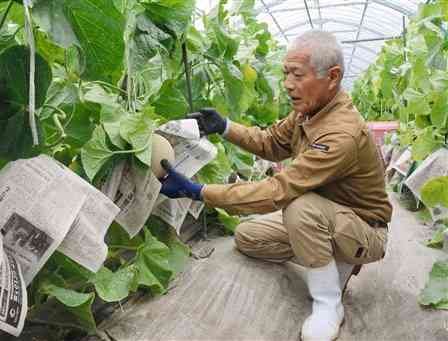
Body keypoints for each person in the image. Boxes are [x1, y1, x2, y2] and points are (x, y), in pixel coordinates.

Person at [159, 30, 392, 341]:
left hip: (364, 229)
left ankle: (328, 303)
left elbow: (278, 191)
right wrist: (224, 127)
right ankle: (332, 260)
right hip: (328, 220)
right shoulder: (308, 113)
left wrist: (199, 192)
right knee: (248, 236)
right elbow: (270, 142)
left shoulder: (342, 133)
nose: (287, 84)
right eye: (285, 74)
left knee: (299, 206)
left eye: (297, 74)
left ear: (332, 77)